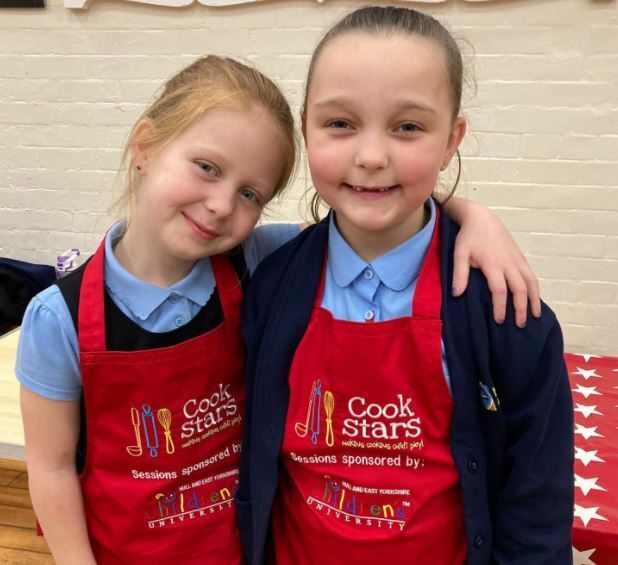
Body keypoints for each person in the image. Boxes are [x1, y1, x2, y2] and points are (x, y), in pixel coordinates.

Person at [18, 53, 543, 565]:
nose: (221, 205)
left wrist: (472, 216)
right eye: (206, 167)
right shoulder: (59, 318)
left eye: (250, 194)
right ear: (145, 147)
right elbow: (52, 468)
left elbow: (368, 211)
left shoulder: (254, 260)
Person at [236, 7, 574, 565]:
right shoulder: (268, 283)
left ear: (451, 140)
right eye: (340, 123)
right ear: (306, 127)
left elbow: (537, 506)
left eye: (408, 127)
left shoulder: (504, 310)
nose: (371, 157)